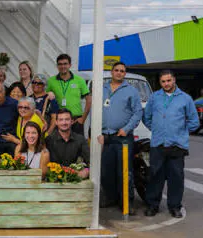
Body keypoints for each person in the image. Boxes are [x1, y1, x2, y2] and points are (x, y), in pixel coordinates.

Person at [143, 70, 199, 218]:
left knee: (176, 177)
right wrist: (156, 128)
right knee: (155, 176)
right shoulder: (154, 97)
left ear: (174, 80)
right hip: (158, 144)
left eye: (169, 80)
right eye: (163, 81)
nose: (166, 84)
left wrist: (181, 132)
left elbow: (194, 122)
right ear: (160, 83)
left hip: (177, 145)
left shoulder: (185, 99)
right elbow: (147, 117)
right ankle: (152, 205)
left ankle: (174, 206)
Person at [98, 62, 142, 214]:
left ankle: (126, 202)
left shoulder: (131, 91)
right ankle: (111, 198)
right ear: (111, 72)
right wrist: (96, 132)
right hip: (106, 137)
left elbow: (137, 113)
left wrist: (127, 129)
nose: (118, 73)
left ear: (125, 73)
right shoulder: (102, 88)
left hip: (123, 137)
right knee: (106, 170)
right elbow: (95, 110)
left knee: (124, 171)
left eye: (122, 71)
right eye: (116, 70)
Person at [46, 54, 91, 136]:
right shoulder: (51, 81)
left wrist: (83, 118)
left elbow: (89, 99)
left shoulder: (79, 80)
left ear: (70, 65)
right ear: (57, 66)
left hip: (76, 120)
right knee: (58, 147)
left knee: (77, 147)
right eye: (60, 64)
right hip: (59, 120)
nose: (63, 66)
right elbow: (45, 98)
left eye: (65, 64)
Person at [45, 109, 90, 178]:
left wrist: (86, 170)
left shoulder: (80, 139)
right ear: (56, 122)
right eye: (61, 120)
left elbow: (89, 160)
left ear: (72, 121)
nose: (64, 122)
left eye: (67, 119)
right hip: (54, 179)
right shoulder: (49, 140)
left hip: (74, 177)